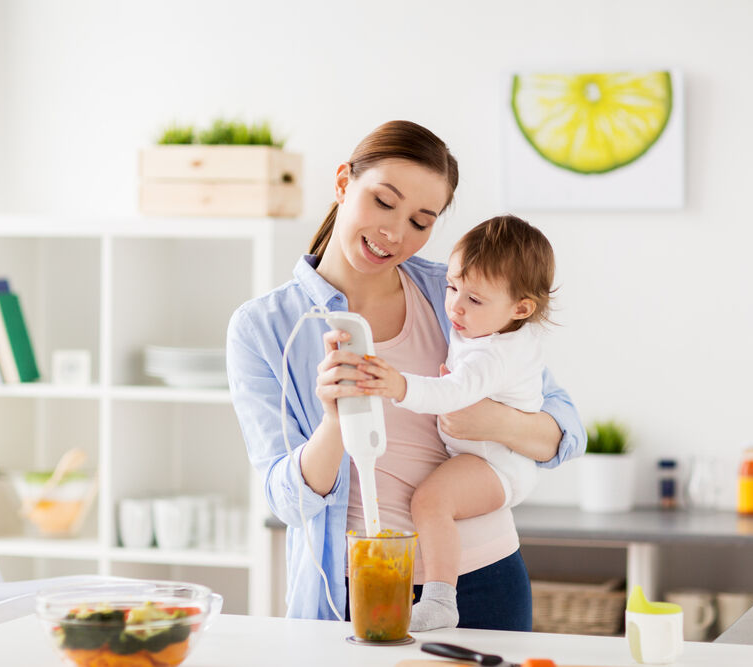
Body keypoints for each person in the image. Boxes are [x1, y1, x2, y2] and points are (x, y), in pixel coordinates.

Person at [226, 120, 585, 631]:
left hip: (482, 576)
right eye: (382, 201)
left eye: (421, 221)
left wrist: (488, 421)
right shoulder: (265, 328)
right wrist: (335, 423)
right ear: (343, 183)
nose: (395, 234)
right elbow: (287, 501)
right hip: (355, 586)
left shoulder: (457, 294)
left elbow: (566, 430)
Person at [355, 214, 556, 631]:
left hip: (497, 466)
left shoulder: (496, 354)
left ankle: (442, 599)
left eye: (474, 300)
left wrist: (397, 384)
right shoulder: (488, 324)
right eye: (450, 287)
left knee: (430, 503)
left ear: (521, 308)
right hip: (487, 459)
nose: (455, 307)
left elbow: (453, 394)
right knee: (432, 502)